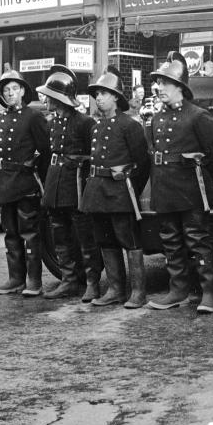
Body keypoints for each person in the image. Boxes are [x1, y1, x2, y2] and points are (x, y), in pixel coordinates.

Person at [145, 52, 213, 312]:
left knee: (197, 241)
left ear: (180, 87)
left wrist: (199, 178)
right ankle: (178, 290)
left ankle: (209, 294)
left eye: (165, 83)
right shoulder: (157, 119)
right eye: (159, 83)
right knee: (170, 242)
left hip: (190, 190)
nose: (159, 88)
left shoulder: (198, 116)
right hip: (165, 189)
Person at [81, 67, 150, 309]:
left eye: (104, 93)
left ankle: (138, 292)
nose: (98, 98)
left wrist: (129, 188)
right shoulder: (96, 126)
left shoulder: (129, 125)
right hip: (97, 193)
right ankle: (115, 289)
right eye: (97, 94)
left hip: (120, 193)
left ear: (116, 98)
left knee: (129, 240)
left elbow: (142, 163)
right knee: (105, 240)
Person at [37, 65, 103, 301]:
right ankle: (69, 281)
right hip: (55, 184)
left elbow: (94, 157)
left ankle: (92, 283)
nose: (47, 101)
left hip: (77, 186)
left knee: (85, 236)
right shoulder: (50, 122)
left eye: (50, 97)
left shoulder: (85, 123)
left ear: (61, 98)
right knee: (59, 235)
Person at [0, 70, 50, 296]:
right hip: (6, 183)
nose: (10, 93)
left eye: (14, 88)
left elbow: (45, 150)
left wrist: (41, 182)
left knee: (29, 234)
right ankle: (16, 279)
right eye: (6, 90)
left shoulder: (33, 116)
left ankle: (34, 281)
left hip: (26, 182)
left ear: (23, 91)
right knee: (11, 234)